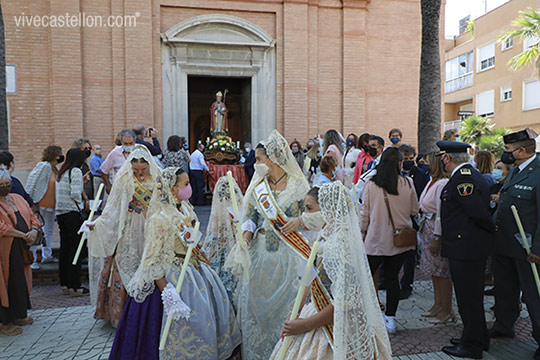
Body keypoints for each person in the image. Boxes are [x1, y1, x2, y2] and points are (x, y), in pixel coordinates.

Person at [113, 167, 241, 360]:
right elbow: (152, 258)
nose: (189, 188)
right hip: (172, 276)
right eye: (186, 184)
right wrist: (167, 292)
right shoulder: (159, 218)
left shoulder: (186, 208)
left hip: (195, 270)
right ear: (172, 189)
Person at [270, 183, 392, 359]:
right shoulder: (326, 235)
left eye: (310, 208)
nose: (305, 215)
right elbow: (311, 279)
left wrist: (304, 325)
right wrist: (295, 312)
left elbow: (345, 302)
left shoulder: (340, 246)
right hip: (316, 312)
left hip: (332, 322)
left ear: (329, 209)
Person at [234, 130, 310, 359]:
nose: (255, 164)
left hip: (289, 256)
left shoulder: (298, 185)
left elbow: (315, 215)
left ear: (273, 158)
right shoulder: (258, 186)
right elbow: (250, 218)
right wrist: (245, 239)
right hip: (261, 257)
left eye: (258, 159)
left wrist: (299, 220)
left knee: (287, 309)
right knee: (258, 312)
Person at [85, 145, 160, 327]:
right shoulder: (125, 179)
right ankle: (125, 316)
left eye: (143, 169)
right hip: (130, 226)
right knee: (126, 262)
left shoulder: (158, 179)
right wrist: (99, 223)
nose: (140, 173)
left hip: (152, 224)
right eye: (136, 170)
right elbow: (113, 207)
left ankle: (153, 314)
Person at [437, 140, 493, 359]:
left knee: (468, 298)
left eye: (443, 157)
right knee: (472, 297)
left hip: (466, 248)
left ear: (448, 159)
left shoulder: (463, 179)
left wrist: (488, 231)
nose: (442, 161)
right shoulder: (470, 175)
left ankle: (472, 346)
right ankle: (477, 336)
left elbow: (478, 213)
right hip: (468, 246)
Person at [490, 128, 540, 360]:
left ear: (521, 151)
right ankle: (504, 324)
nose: (505, 154)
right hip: (505, 243)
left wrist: (538, 249)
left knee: (533, 295)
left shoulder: (537, 172)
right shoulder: (515, 171)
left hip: (528, 249)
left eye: (508, 150)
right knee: (505, 289)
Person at [360, 147, 418, 334]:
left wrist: (362, 232)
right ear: (399, 163)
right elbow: (414, 210)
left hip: (375, 239)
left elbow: (365, 213)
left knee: (368, 279)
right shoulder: (408, 183)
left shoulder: (371, 184)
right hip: (399, 240)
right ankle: (390, 319)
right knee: (393, 279)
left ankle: (369, 314)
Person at [0, 165, 40, 336]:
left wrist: (33, 231)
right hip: (4, 250)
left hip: (20, 248)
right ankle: (4, 322)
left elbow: (33, 217)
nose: (5, 186)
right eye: (1, 184)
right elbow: (2, 228)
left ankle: (18, 315)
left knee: (19, 281)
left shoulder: (17, 198)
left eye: (7, 182)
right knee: (5, 284)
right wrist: (23, 235)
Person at [418, 153, 454, 324]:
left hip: (435, 228)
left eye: (427, 162)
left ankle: (446, 309)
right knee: (434, 270)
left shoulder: (442, 183)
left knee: (442, 271)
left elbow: (441, 212)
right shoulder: (432, 181)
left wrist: (437, 237)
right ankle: (437, 304)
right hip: (427, 225)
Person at [202, 175, 243, 302]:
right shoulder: (239, 204)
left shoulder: (219, 204)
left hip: (222, 250)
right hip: (237, 246)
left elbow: (214, 233)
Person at [56, 148, 91, 297]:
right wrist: (83, 204)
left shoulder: (62, 171)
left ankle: (65, 284)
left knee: (65, 249)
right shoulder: (75, 171)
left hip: (61, 213)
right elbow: (75, 193)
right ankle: (75, 286)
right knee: (76, 250)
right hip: (72, 213)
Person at [397, 144, 430, 300]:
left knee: (410, 254)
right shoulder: (394, 175)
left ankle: (407, 284)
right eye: (405, 159)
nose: (408, 162)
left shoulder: (421, 175)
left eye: (411, 159)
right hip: (395, 216)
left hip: (412, 218)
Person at [25, 145, 63, 269]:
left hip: (51, 205)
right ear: (54, 154)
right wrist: (31, 201)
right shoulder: (43, 166)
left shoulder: (55, 169)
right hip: (39, 204)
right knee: (36, 230)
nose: (61, 156)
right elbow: (32, 182)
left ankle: (47, 255)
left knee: (48, 231)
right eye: (59, 153)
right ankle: (33, 259)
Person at [99, 129, 137, 194]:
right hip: (120, 190)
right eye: (125, 143)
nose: (128, 146)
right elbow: (104, 170)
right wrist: (108, 185)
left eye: (130, 143)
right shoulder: (115, 153)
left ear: (134, 141)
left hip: (138, 190)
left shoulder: (141, 150)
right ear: (121, 142)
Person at [354, 135, 385, 208]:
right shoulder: (371, 163)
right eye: (369, 146)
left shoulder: (384, 162)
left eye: (373, 145)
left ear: (381, 147)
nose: (370, 148)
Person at [89, 144, 107, 210]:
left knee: (102, 194)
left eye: (99, 148)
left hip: (103, 177)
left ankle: (100, 207)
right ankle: (95, 208)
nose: (98, 150)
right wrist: (105, 173)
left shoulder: (101, 157)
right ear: (93, 150)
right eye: (97, 149)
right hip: (98, 177)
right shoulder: (94, 159)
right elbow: (98, 169)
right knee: (97, 193)